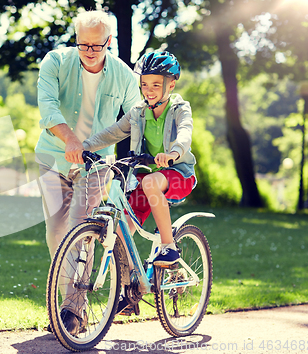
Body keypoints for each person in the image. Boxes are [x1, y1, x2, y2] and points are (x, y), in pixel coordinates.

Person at [35, 10, 140, 334]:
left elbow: (138, 116)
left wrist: (141, 159)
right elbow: (48, 106)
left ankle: (73, 314)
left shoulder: (122, 75)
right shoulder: (55, 62)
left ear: (109, 42)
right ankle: (67, 306)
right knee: (57, 235)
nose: (89, 52)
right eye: (83, 45)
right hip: (54, 157)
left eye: (96, 46)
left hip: (96, 164)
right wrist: (70, 139)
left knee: (81, 231)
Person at [74, 50, 196, 267]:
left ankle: (169, 247)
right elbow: (113, 132)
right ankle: (129, 292)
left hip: (178, 174)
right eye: (145, 84)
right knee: (120, 231)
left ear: (171, 85)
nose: (148, 91)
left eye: (156, 85)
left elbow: (185, 133)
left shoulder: (179, 109)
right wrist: (84, 147)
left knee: (150, 182)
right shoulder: (138, 112)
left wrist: (172, 154)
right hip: (146, 180)